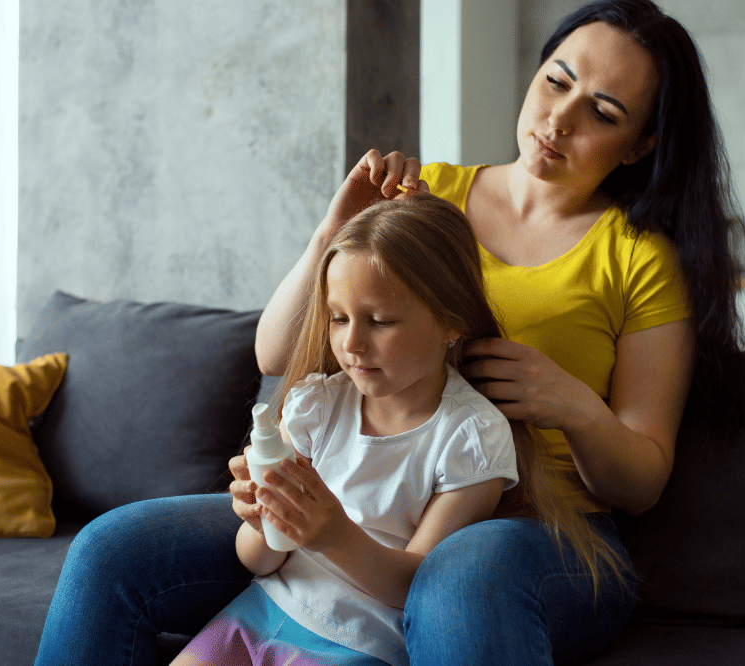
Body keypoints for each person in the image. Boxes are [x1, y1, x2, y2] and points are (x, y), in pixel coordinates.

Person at [33, 1, 745, 664]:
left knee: (459, 579)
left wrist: (571, 404)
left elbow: (643, 480)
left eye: (601, 111)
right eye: (555, 81)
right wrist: (330, 231)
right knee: (109, 551)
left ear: (640, 143)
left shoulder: (639, 257)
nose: (559, 119)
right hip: (363, 497)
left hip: (543, 531)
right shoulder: (427, 196)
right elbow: (278, 354)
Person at [169, 194, 519, 666]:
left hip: (359, 643)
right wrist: (262, 520)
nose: (351, 343)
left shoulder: (471, 437)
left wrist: (332, 533)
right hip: (257, 614)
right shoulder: (319, 404)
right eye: (338, 318)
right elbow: (258, 560)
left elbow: (416, 588)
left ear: (450, 322)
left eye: (379, 321)